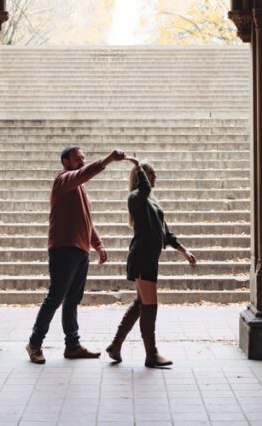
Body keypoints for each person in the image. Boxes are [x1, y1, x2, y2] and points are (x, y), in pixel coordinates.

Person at [26, 146, 127, 364]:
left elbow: (86, 221)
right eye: (77, 158)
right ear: (65, 162)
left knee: (72, 300)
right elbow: (83, 173)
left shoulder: (80, 189)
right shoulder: (63, 180)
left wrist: (98, 245)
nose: (82, 161)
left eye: (83, 158)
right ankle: (34, 343)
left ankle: (72, 346)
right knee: (55, 297)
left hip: (81, 250)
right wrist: (109, 159)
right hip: (63, 248)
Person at [105, 157, 197, 368]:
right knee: (150, 305)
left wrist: (184, 250)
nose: (155, 177)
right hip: (142, 258)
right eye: (151, 173)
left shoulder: (152, 205)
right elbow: (144, 189)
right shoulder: (135, 198)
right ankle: (151, 354)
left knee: (140, 304)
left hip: (148, 259)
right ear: (142, 178)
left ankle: (115, 346)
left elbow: (166, 233)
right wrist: (137, 165)